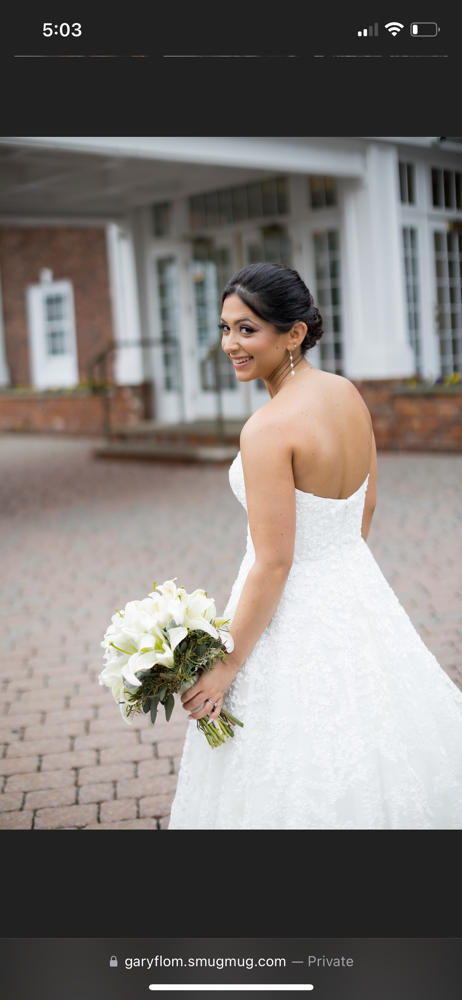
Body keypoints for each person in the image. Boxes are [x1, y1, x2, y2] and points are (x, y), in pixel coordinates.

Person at [168, 262, 462, 830]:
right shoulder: (347, 393)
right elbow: (366, 505)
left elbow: (274, 562)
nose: (230, 344)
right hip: (356, 587)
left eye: (247, 329)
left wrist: (226, 665)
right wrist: (336, 570)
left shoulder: (267, 429)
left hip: (289, 604)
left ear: (294, 333)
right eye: (226, 328)